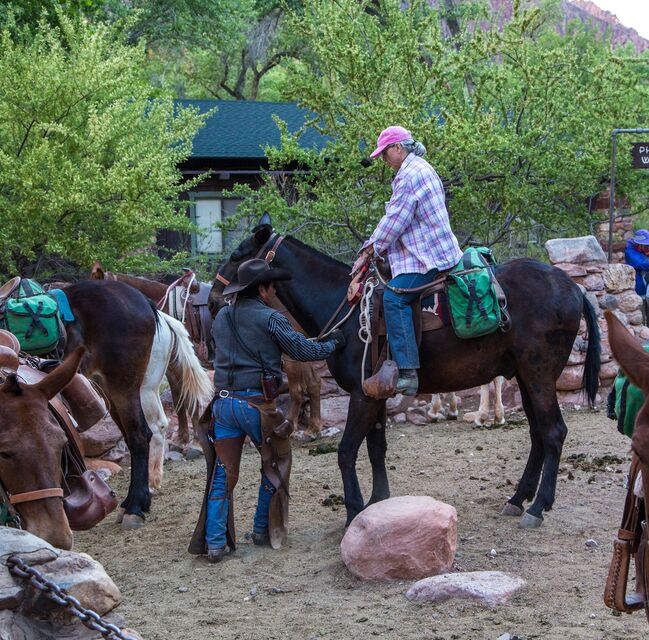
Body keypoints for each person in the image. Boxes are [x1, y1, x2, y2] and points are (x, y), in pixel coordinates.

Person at [194, 258, 344, 563]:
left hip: (223, 404)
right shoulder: (272, 318)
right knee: (276, 464)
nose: (274, 290)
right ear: (261, 288)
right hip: (258, 407)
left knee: (224, 475)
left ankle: (214, 544)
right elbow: (304, 351)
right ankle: (262, 529)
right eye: (272, 285)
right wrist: (334, 343)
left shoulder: (221, 317)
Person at [351, 126, 462, 396]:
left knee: (394, 298)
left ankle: (409, 371)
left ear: (398, 148)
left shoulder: (410, 175)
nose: (384, 161)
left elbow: (395, 221)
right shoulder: (419, 169)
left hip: (427, 258)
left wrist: (368, 252)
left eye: (385, 154)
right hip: (428, 250)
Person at [624, 229, 649, 326]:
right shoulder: (630, 252)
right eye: (646, 244)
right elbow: (642, 264)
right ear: (639, 244)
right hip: (638, 291)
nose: (648, 247)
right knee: (640, 320)